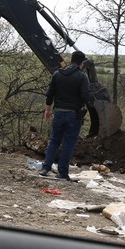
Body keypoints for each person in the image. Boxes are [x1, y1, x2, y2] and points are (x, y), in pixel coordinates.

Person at [40, 50, 95, 181]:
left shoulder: (58, 74)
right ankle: (62, 172)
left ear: (71, 60)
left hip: (58, 112)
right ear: (82, 63)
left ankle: (45, 167)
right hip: (73, 114)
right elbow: (86, 96)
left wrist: (48, 109)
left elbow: (50, 93)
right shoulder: (81, 77)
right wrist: (92, 102)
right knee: (68, 143)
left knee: (54, 140)